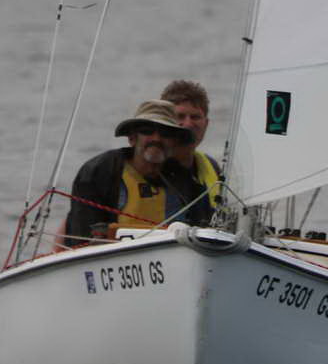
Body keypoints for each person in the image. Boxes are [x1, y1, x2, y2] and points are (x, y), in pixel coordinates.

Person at [63, 100, 209, 243]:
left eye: (165, 133)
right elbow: (81, 237)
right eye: (147, 131)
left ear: (174, 142)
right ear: (132, 138)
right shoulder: (99, 173)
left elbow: (203, 235)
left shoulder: (188, 183)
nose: (156, 138)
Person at [161, 79, 222, 205]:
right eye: (180, 116)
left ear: (206, 124)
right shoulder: (146, 167)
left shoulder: (212, 167)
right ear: (162, 121)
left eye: (195, 117)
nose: (188, 124)